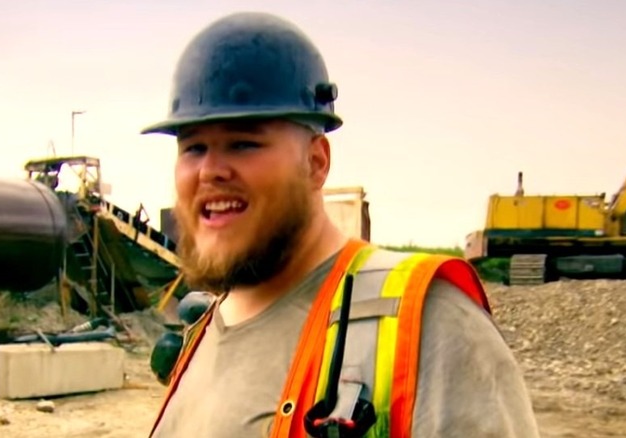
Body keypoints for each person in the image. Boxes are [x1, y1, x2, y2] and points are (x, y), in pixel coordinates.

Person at [140, 11, 540, 438]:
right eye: (193, 147)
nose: (210, 170)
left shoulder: (432, 326)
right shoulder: (203, 332)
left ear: (316, 162)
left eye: (243, 143)